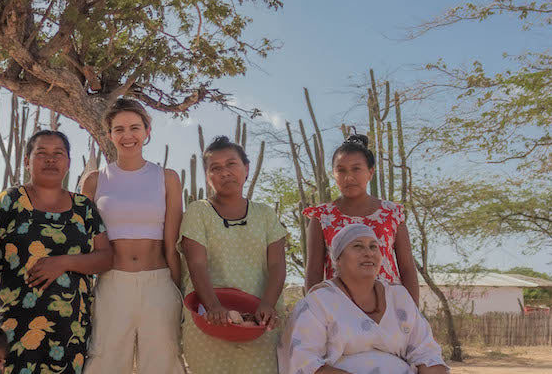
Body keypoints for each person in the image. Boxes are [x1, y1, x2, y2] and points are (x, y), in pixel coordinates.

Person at [0, 129, 112, 374]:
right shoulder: (10, 201)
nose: (50, 159)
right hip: (15, 327)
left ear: (68, 163)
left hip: (71, 332)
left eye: (58, 154)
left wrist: (63, 263)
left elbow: (106, 257)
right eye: (41, 153)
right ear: (26, 161)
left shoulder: (83, 207)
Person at [81, 98, 185, 374]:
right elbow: (83, 241)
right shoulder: (94, 180)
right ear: (109, 134)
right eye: (119, 129)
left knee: (165, 362)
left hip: (159, 284)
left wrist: (181, 291)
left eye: (135, 128)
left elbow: (173, 245)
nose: (128, 136)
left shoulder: (168, 178)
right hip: (112, 284)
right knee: (104, 362)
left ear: (147, 131)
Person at [179, 135, 287, 374]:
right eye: (215, 168)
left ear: (246, 169)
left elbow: (278, 264)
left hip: (259, 324)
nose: (224, 172)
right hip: (210, 322)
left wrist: (267, 305)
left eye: (231, 164)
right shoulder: (199, 212)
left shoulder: (266, 214)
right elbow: (196, 263)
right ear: (207, 177)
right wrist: (213, 307)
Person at [279, 223, 448, 374]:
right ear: (338, 259)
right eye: (358, 246)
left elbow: (426, 352)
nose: (368, 253)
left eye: (374, 247)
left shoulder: (399, 297)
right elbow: (304, 362)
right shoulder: (318, 302)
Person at [304, 133, 418, 303]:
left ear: (370, 172)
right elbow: (313, 271)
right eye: (341, 170)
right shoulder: (322, 217)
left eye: (356, 169)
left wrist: (413, 313)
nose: (349, 177)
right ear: (333, 175)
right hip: (339, 309)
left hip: (390, 308)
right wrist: (314, 312)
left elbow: (407, 267)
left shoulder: (392, 213)